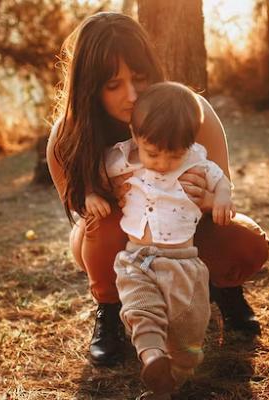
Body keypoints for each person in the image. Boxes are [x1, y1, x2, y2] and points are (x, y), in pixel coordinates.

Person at [46, 12, 269, 368]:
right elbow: (78, 209)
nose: (132, 95)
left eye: (139, 77)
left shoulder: (191, 113)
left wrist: (212, 201)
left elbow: (222, 185)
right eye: (112, 84)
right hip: (112, 238)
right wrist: (101, 197)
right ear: (90, 86)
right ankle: (109, 310)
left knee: (243, 240)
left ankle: (225, 291)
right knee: (100, 222)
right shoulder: (67, 137)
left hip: (187, 228)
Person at [85, 81, 234, 398]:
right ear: (136, 135)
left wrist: (220, 199)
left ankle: (171, 379)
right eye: (153, 153)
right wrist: (91, 195)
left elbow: (221, 181)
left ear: (189, 144)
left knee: (187, 330)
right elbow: (93, 173)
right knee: (141, 309)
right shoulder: (122, 157)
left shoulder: (196, 160)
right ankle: (151, 355)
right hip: (137, 258)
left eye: (174, 155)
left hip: (184, 262)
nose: (164, 163)